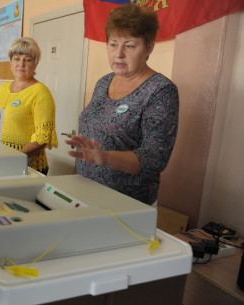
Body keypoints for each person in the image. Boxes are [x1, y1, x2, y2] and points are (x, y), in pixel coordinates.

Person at [65, 4, 179, 206]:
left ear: (149, 47)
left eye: (129, 45)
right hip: (85, 194)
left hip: (126, 203)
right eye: (113, 44)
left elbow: (154, 159)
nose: (118, 54)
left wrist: (106, 157)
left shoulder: (160, 91)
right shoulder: (104, 82)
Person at [0, 37, 58, 175]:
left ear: (35, 64)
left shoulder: (41, 92)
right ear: (10, 62)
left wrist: (16, 157)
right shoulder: (3, 88)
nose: (21, 64)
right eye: (16, 58)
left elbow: (43, 137)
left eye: (27, 59)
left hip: (27, 166)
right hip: (0, 160)